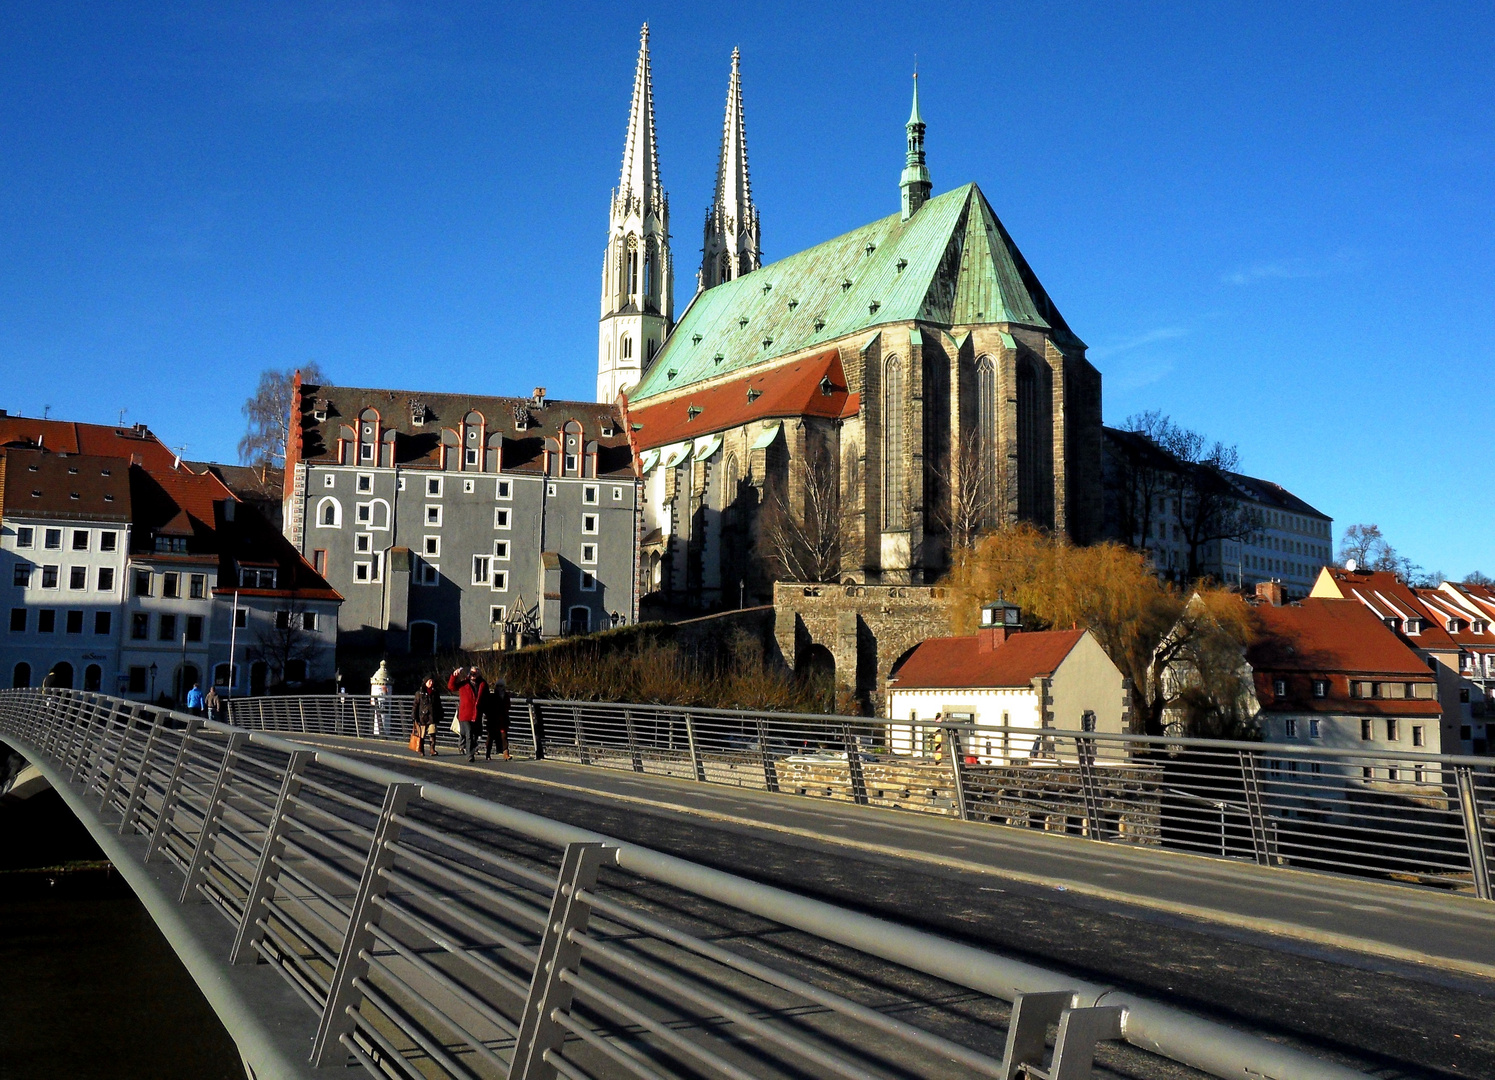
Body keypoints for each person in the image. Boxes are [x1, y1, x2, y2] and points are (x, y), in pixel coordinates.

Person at [448, 667, 487, 762]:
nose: (473, 675)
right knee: (469, 733)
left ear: (479, 674)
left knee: (474, 735)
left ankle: (469, 749)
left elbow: (486, 698)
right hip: (465, 714)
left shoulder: (483, 684)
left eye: (475, 673)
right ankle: (469, 755)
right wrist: (454, 675)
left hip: (476, 714)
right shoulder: (464, 683)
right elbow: (451, 687)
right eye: (472, 673)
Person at [411, 677, 442, 756]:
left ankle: (432, 749)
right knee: (422, 735)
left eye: (432, 681)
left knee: (433, 733)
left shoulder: (435, 692)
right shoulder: (419, 693)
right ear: (425, 682)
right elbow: (415, 705)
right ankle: (421, 749)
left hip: (432, 716)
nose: (431, 683)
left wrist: (440, 714)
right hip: (422, 717)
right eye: (429, 681)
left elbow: (438, 705)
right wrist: (414, 716)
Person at [484, 677, 512, 761]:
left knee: (504, 736)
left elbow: (508, 706)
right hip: (493, 719)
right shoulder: (492, 696)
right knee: (491, 737)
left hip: (503, 719)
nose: (500, 688)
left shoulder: (506, 696)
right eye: (498, 686)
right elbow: (488, 707)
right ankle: (488, 753)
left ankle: (506, 753)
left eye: (501, 686)